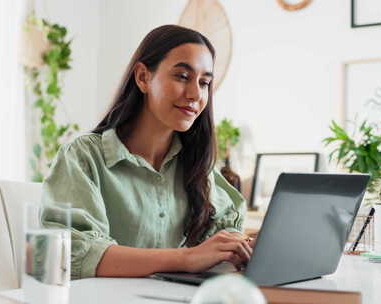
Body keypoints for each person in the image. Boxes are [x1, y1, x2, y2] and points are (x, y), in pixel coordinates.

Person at [42, 24, 253, 280]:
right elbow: (74, 253)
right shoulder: (84, 157)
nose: (195, 94)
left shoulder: (198, 167)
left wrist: (242, 247)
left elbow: (221, 239)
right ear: (143, 77)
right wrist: (187, 258)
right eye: (182, 77)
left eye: (205, 82)